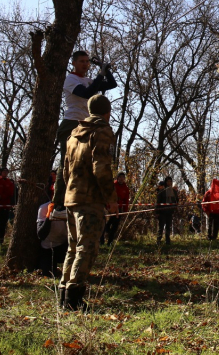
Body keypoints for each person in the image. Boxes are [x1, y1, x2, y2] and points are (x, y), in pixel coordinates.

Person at [59, 94, 118, 311]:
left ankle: (63, 294)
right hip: (90, 200)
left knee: (73, 248)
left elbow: (65, 170)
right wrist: (111, 198)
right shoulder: (101, 131)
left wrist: (69, 192)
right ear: (107, 113)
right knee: (87, 248)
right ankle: (74, 299)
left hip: (72, 197)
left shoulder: (74, 134)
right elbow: (101, 167)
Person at [53, 51, 117, 206]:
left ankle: (79, 198)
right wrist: (100, 75)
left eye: (87, 61)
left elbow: (112, 84)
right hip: (71, 123)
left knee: (84, 162)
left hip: (85, 125)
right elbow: (87, 94)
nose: (85, 64)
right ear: (74, 63)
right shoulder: (71, 79)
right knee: (67, 162)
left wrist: (104, 69)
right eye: (81, 61)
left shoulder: (88, 81)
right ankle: (58, 204)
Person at [37, 202, 68, 277]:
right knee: (48, 275)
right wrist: (49, 215)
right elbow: (41, 235)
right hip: (48, 247)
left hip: (65, 245)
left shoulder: (71, 207)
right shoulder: (44, 208)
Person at [101, 172, 130, 245]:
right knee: (105, 223)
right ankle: (102, 240)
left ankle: (110, 242)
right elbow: (107, 195)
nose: (121, 179)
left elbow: (126, 200)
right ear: (117, 178)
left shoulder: (125, 188)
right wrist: (107, 206)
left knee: (115, 225)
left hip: (119, 207)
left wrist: (125, 211)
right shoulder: (113, 185)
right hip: (110, 206)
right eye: (120, 177)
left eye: (123, 177)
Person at [0, 167, 16, 245]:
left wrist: (1, 196)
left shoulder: (9, 182)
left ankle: (0, 241)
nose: (5, 173)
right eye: (3, 171)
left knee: (2, 225)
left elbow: (10, 193)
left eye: (7, 172)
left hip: (4, 206)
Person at [155, 176, 178, 245]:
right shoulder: (162, 191)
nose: (169, 183)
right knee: (161, 227)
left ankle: (167, 241)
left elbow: (176, 200)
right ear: (165, 182)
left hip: (170, 211)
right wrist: (157, 211)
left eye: (170, 181)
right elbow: (158, 202)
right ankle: (158, 240)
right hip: (162, 211)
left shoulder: (174, 191)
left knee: (168, 226)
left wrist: (174, 208)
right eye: (168, 181)